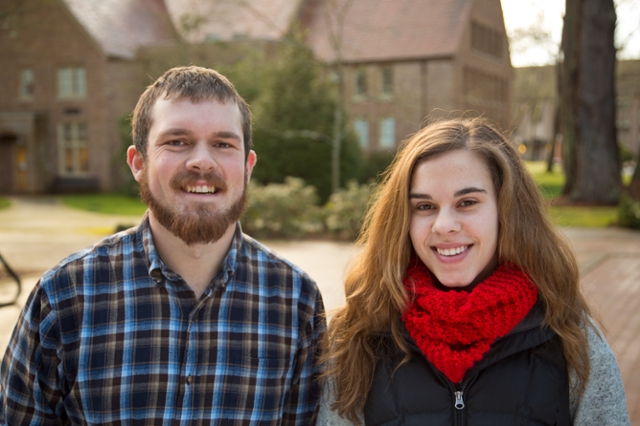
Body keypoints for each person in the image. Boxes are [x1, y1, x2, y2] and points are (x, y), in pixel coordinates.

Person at [0, 66, 326, 425]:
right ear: (138, 163)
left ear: (247, 167)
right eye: (177, 141)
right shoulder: (64, 297)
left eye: (223, 144)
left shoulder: (297, 303)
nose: (202, 160)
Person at [317, 118, 630, 425]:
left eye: (467, 202)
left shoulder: (571, 337)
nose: (444, 226)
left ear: (506, 210)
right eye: (424, 206)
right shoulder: (358, 335)